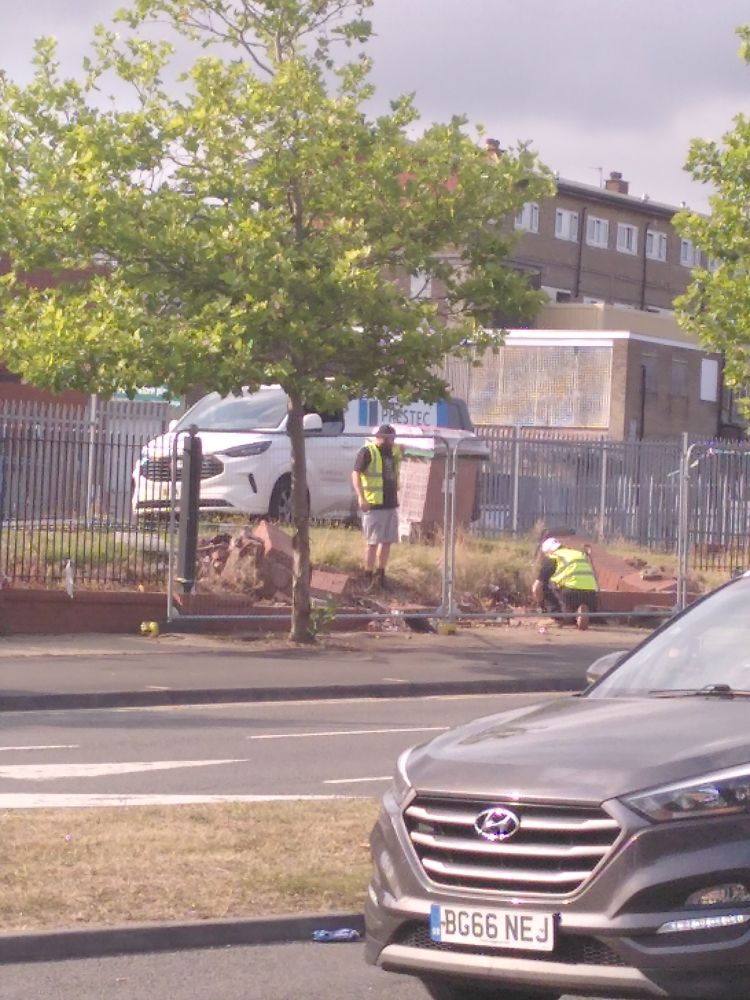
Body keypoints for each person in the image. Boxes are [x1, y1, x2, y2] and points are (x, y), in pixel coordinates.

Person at [351, 424, 402, 590]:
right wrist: (361, 497)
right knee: (372, 542)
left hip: (390, 503)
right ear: (381, 437)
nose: (391, 441)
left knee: (387, 541)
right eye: (389, 438)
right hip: (373, 504)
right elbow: (356, 473)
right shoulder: (368, 451)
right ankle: (368, 574)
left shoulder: (393, 453)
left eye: (393, 438)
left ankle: (380, 575)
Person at [532, 537, 599, 629]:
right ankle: (577, 615)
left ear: (549, 551)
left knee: (544, 587)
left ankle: (558, 618)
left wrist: (541, 604)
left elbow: (536, 588)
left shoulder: (554, 557)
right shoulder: (578, 554)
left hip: (570, 594)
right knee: (569, 591)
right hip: (591, 595)